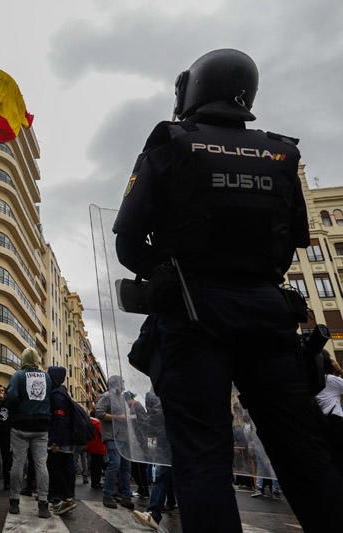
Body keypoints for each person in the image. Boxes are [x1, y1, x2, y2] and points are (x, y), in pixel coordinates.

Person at [113, 48, 343, 532]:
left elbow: (129, 242)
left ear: (191, 89)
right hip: (268, 315)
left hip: (195, 316)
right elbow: (291, 245)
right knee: (305, 453)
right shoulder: (282, 153)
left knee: (202, 455)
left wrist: (168, 270)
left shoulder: (170, 141)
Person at [6, 347, 53, 519]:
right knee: (41, 464)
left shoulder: (18, 375)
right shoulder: (46, 376)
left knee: (18, 463)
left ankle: (14, 501)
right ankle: (43, 503)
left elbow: (11, 396)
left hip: (21, 425)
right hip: (41, 427)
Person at [95, 375, 133, 510]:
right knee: (115, 464)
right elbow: (99, 413)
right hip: (112, 437)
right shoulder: (106, 396)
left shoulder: (123, 399)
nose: (123, 383)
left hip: (124, 437)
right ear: (116, 384)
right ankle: (108, 495)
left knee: (125, 467)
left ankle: (125, 496)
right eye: (122, 381)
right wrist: (119, 418)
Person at [46, 366, 78, 516]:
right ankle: (67, 497)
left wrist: (55, 442)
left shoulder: (57, 394)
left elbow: (59, 418)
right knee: (66, 469)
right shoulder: (64, 392)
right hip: (67, 439)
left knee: (56, 469)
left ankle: (63, 499)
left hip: (60, 440)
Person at [316, 352, 343, 475]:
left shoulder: (312, 381)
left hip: (322, 424)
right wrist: (339, 370)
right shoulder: (330, 380)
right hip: (336, 422)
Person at [86, 412, 106, 489]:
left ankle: (94, 482)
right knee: (98, 466)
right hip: (98, 446)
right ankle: (96, 482)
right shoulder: (97, 423)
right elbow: (102, 433)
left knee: (94, 466)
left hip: (91, 446)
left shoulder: (89, 421)